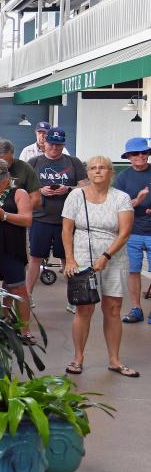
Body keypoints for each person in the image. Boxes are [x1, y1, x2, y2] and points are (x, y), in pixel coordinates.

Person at [62, 156, 138, 378]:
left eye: (102, 168)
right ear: (87, 172)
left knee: (113, 308)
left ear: (110, 172)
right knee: (83, 307)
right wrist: (69, 259)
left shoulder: (121, 198)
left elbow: (124, 233)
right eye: (93, 168)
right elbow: (67, 230)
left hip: (113, 255)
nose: (97, 171)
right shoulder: (76, 196)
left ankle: (114, 360)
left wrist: (106, 256)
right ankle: (78, 358)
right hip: (83, 255)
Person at [26, 127, 87, 296]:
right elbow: (22, 189)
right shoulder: (34, 162)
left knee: (67, 259)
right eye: (51, 144)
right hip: (40, 218)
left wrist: (68, 188)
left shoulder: (73, 162)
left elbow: (86, 188)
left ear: (63, 145)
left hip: (66, 220)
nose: (54, 148)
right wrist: (40, 190)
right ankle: (27, 297)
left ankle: (74, 298)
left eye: (58, 145)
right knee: (35, 259)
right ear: (44, 143)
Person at [0, 159, 35, 344]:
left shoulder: (18, 193)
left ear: (8, 176)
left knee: (18, 288)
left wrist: (4, 215)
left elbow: (27, 219)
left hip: (11, 247)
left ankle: (25, 330)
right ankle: (2, 321)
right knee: (0, 287)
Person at [113, 138, 151, 324]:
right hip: (132, 232)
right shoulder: (122, 178)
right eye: (136, 153)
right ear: (128, 156)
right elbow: (119, 208)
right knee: (134, 271)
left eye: (144, 152)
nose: (141, 156)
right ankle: (136, 308)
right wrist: (137, 200)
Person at [0, 139, 41, 206]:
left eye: (6, 164)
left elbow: (36, 198)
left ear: (12, 155)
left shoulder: (25, 168)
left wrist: (21, 212)